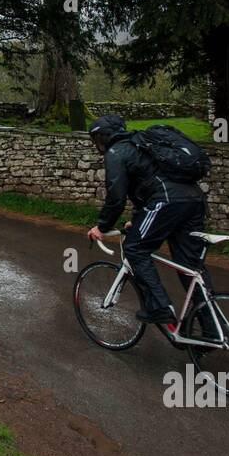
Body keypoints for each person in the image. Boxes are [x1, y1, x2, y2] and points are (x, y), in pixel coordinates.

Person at [85, 114, 210, 328]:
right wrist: (138, 218)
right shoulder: (141, 144)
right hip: (193, 201)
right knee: (188, 267)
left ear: (105, 137)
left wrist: (102, 226)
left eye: (97, 139)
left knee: (135, 249)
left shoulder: (116, 152)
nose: (97, 145)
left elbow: (116, 197)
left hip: (167, 202)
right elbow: (147, 183)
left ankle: (160, 307)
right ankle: (214, 329)